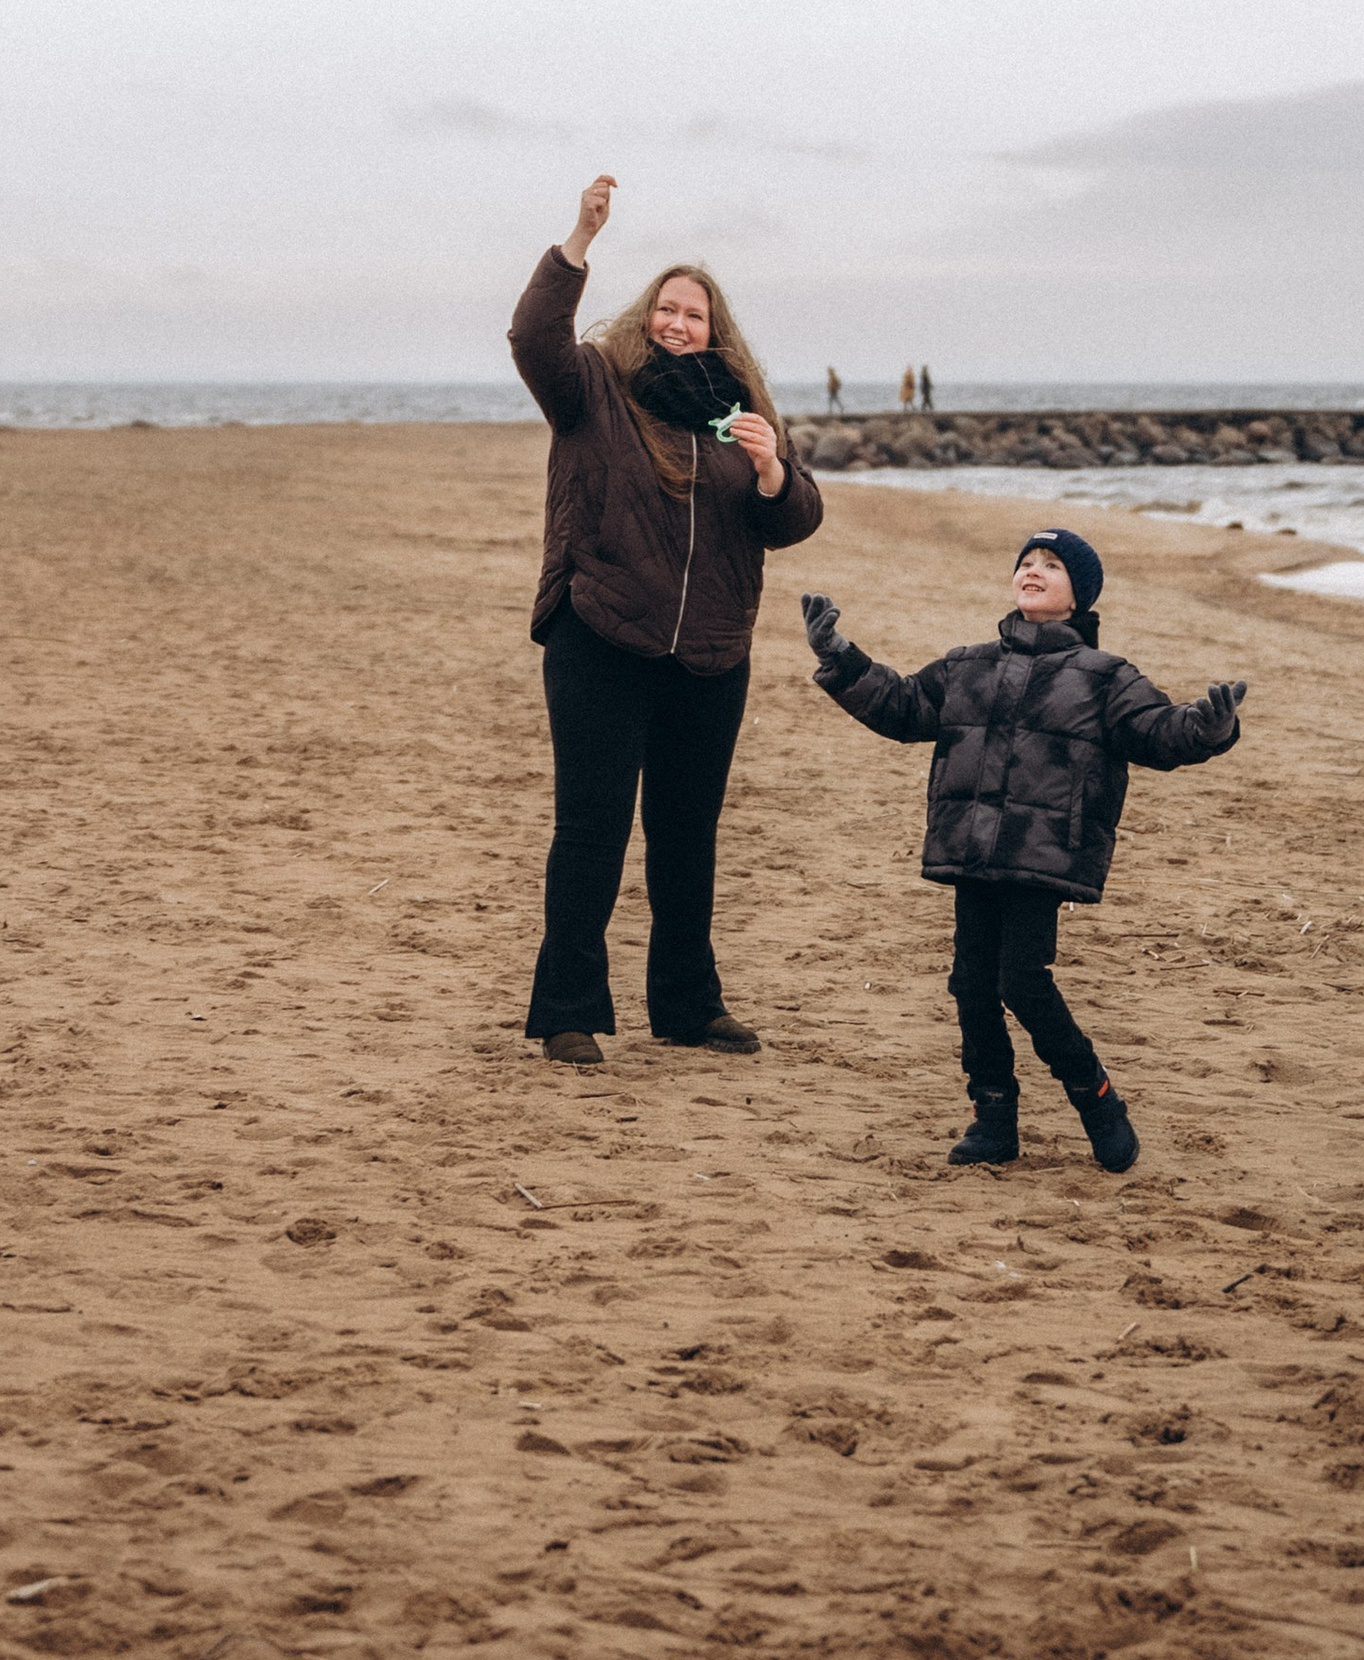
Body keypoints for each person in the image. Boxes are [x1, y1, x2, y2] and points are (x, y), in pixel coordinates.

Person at [799, 533, 1243, 1173]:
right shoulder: (967, 664)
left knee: (1022, 982)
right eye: (1027, 563)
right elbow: (902, 705)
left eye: (1053, 566)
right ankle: (992, 1116)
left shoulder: (1105, 675)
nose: (1034, 572)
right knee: (971, 984)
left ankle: (1097, 1100)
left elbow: (1156, 730)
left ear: (1079, 595)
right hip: (971, 848)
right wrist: (840, 658)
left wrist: (1208, 728)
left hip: (1041, 855)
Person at [510, 174, 823, 1069]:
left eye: (697, 315)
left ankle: (689, 1007)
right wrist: (578, 239)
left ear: (716, 333)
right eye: (668, 309)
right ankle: (568, 1011)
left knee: (688, 836)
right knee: (592, 829)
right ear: (646, 316)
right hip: (602, 634)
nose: (680, 323)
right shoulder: (597, 390)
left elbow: (794, 521)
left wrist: (774, 473)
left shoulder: (743, 416)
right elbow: (534, 338)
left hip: (711, 654)